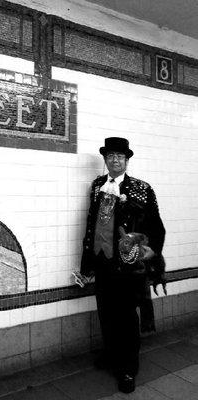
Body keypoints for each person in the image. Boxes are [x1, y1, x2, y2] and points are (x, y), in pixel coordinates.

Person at [80, 137, 166, 393]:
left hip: (128, 266)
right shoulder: (97, 186)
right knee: (106, 313)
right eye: (110, 157)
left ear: (126, 161)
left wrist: (152, 252)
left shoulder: (142, 188)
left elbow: (156, 225)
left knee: (127, 318)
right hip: (103, 261)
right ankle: (110, 355)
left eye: (120, 157)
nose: (115, 160)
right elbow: (91, 223)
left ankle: (128, 368)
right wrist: (87, 262)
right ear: (105, 160)